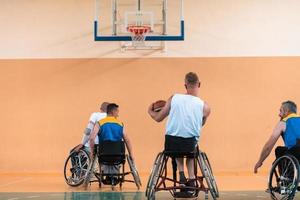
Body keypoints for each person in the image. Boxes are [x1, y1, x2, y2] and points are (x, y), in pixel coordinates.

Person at [148, 72, 211, 188]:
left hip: (171, 143)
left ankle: (181, 175)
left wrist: (150, 111)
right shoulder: (205, 106)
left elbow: (158, 118)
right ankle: (192, 178)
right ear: (199, 84)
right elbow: (200, 124)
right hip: (190, 144)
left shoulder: (173, 98)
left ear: (185, 85)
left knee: (177, 144)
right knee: (191, 148)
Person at [89, 103, 134, 183]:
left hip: (103, 155)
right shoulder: (120, 124)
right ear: (113, 112)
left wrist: (92, 153)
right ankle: (114, 176)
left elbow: (92, 138)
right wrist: (131, 155)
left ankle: (107, 176)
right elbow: (127, 140)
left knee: (103, 156)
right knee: (116, 156)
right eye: (117, 111)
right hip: (118, 156)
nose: (118, 114)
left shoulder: (100, 123)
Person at [254, 100, 300, 173]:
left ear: (286, 111)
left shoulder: (284, 122)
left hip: (296, 151)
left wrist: (260, 161)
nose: (279, 114)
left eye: (280, 111)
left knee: (279, 150)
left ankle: (287, 181)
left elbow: (269, 146)